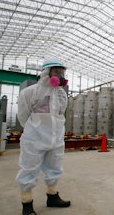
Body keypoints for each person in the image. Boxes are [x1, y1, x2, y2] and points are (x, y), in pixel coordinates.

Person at [16, 58, 70, 215]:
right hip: (35, 138)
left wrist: (58, 134)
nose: (60, 75)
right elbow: (23, 115)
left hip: (56, 138)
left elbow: (60, 115)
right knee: (29, 169)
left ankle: (52, 196)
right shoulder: (30, 92)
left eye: (62, 72)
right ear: (47, 73)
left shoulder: (61, 95)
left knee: (55, 167)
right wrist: (33, 131)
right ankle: (27, 204)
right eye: (56, 72)